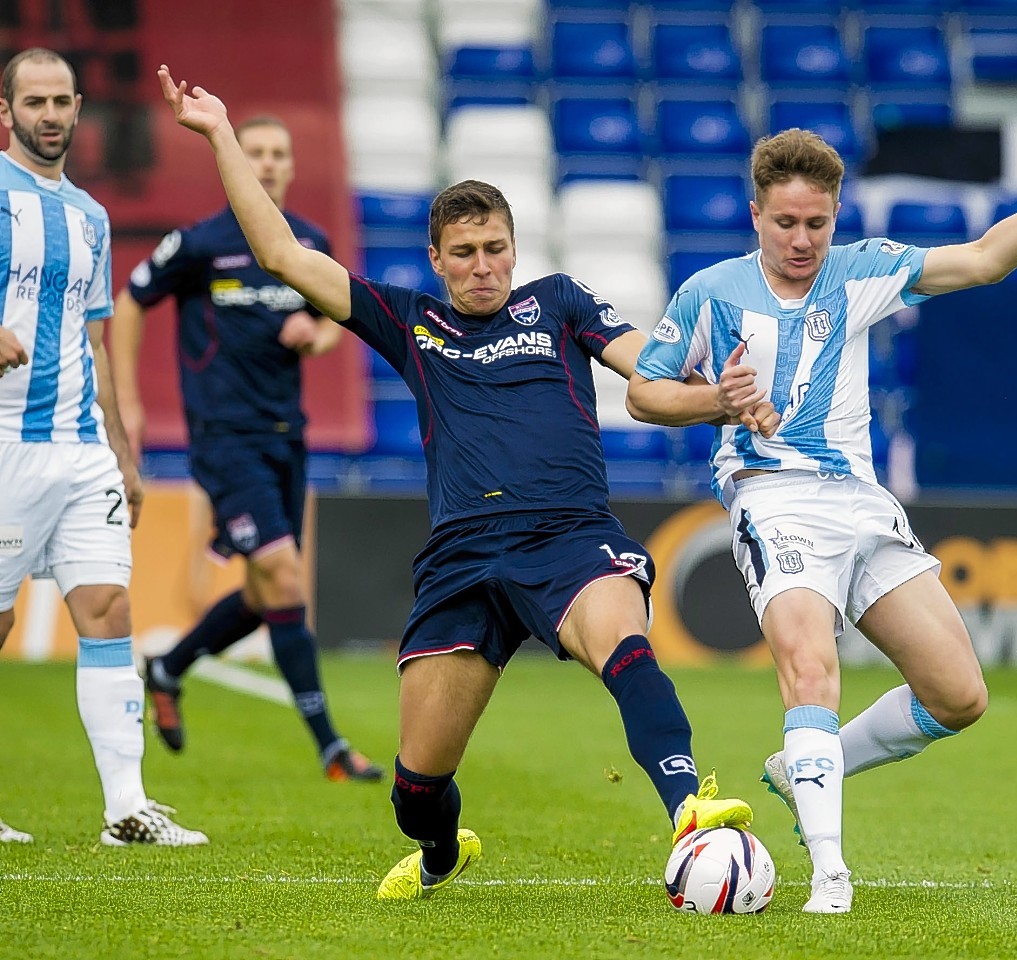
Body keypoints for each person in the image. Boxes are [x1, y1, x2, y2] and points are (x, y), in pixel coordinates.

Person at [156, 63, 752, 900]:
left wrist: (715, 401)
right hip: (461, 558)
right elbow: (282, 253)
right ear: (436, 259)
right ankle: (442, 853)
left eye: (496, 249)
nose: (484, 267)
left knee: (626, 644)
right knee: (415, 790)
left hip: (569, 537)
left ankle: (689, 809)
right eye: (465, 253)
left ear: (516, 247)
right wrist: (221, 134)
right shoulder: (409, 320)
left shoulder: (560, 302)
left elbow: (644, 389)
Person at [627, 128, 1017, 913]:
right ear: (756, 213)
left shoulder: (862, 268)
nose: (803, 240)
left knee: (958, 696)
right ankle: (830, 868)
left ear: (836, 216)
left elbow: (985, 259)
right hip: (775, 498)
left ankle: (797, 770)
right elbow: (643, 393)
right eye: (786, 223)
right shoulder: (712, 293)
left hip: (864, 505)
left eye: (817, 224)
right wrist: (716, 401)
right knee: (811, 666)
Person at [109, 115, 382, 784]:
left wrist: (313, 333)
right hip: (224, 439)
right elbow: (130, 302)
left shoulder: (307, 244)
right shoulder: (200, 243)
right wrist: (131, 403)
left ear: (291, 167)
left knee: (268, 595)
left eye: (277, 154)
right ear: (234, 159)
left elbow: (338, 322)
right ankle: (329, 746)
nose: (265, 163)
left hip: (287, 435)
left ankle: (168, 669)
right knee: (284, 576)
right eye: (254, 151)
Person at [0, 48, 207, 846]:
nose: (49, 115)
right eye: (34, 102)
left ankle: (126, 807)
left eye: (61, 101)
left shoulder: (89, 214)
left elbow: (95, 338)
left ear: (80, 108)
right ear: (7, 112)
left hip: (81, 447)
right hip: (7, 446)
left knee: (109, 607)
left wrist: (123, 450)